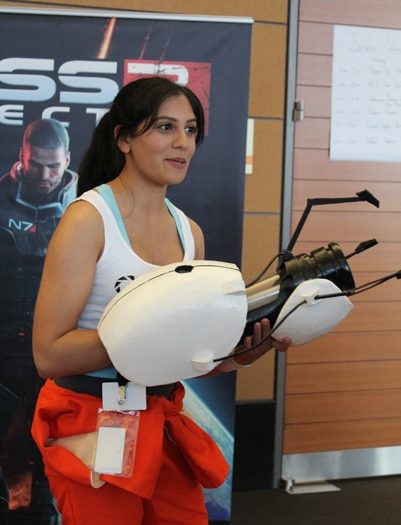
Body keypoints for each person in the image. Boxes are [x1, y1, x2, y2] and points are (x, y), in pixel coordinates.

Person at [31, 77, 290, 525]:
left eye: (190, 130)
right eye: (165, 127)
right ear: (124, 138)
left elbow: (183, 357)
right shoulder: (89, 219)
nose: (182, 143)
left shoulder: (191, 234)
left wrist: (241, 353)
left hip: (162, 417)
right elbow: (48, 354)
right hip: (91, 420)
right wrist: (147, 331)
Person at [0, 118, 77, 523]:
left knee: (51, 451)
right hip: (4, 346)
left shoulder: (86, 209)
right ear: (22, 156)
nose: (45, 175)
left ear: (67, 160)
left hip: (57, 349)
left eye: (54, 166)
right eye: (36, 165)